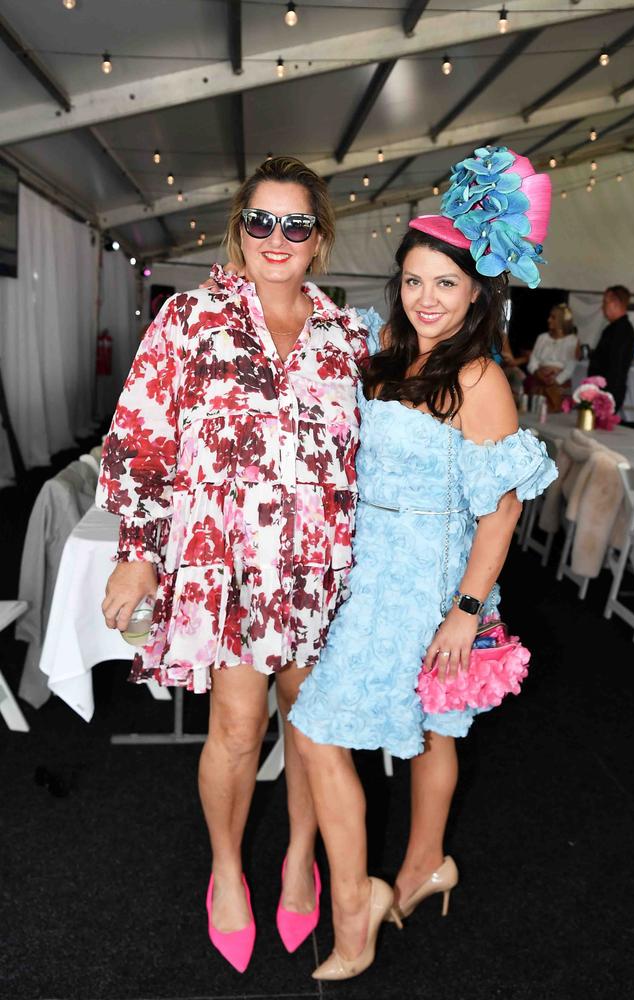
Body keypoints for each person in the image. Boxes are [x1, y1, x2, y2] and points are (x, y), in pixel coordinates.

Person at [289, 146, 557, 981]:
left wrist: (465, 611)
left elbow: (502, 507)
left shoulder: (478, 376)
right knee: (431, 729)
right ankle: (423, 865)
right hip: (369, 568)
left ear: (477, 290)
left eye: (445, 282)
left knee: (318, 726)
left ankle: (358, 908)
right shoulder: (387, 358)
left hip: (426, 582)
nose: (426, 297)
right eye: (412, 280)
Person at [96, 156, 370, 974]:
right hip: (228, 570)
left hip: (323, 574)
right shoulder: (189, 319)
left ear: (318, 239)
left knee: (316, 733)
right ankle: (225, 868)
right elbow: (140, 438)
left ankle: (296, 862)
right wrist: (139, 554)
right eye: (260, 221)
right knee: (238, 730)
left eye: (295, 225)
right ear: (238, 228)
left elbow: (379, 460)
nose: (275, 239)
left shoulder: (346, 336)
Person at [588, 285, 634, 411]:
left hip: (607, 392)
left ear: (615, 303)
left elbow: (616, 367)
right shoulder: (615, 328)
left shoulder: (622, 331)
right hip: (603, 390)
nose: (603, 307)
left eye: (605, 302)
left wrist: (605, 395)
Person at [526, 302, 578, 412]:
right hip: (539, 382)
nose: (549, 320)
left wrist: (554, 381)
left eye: (553, 317)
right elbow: (533, 360)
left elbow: (570, 368)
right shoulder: (542, 338)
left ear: (561, 321)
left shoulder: (572, 341)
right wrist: (538, 374)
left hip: (559, 386)